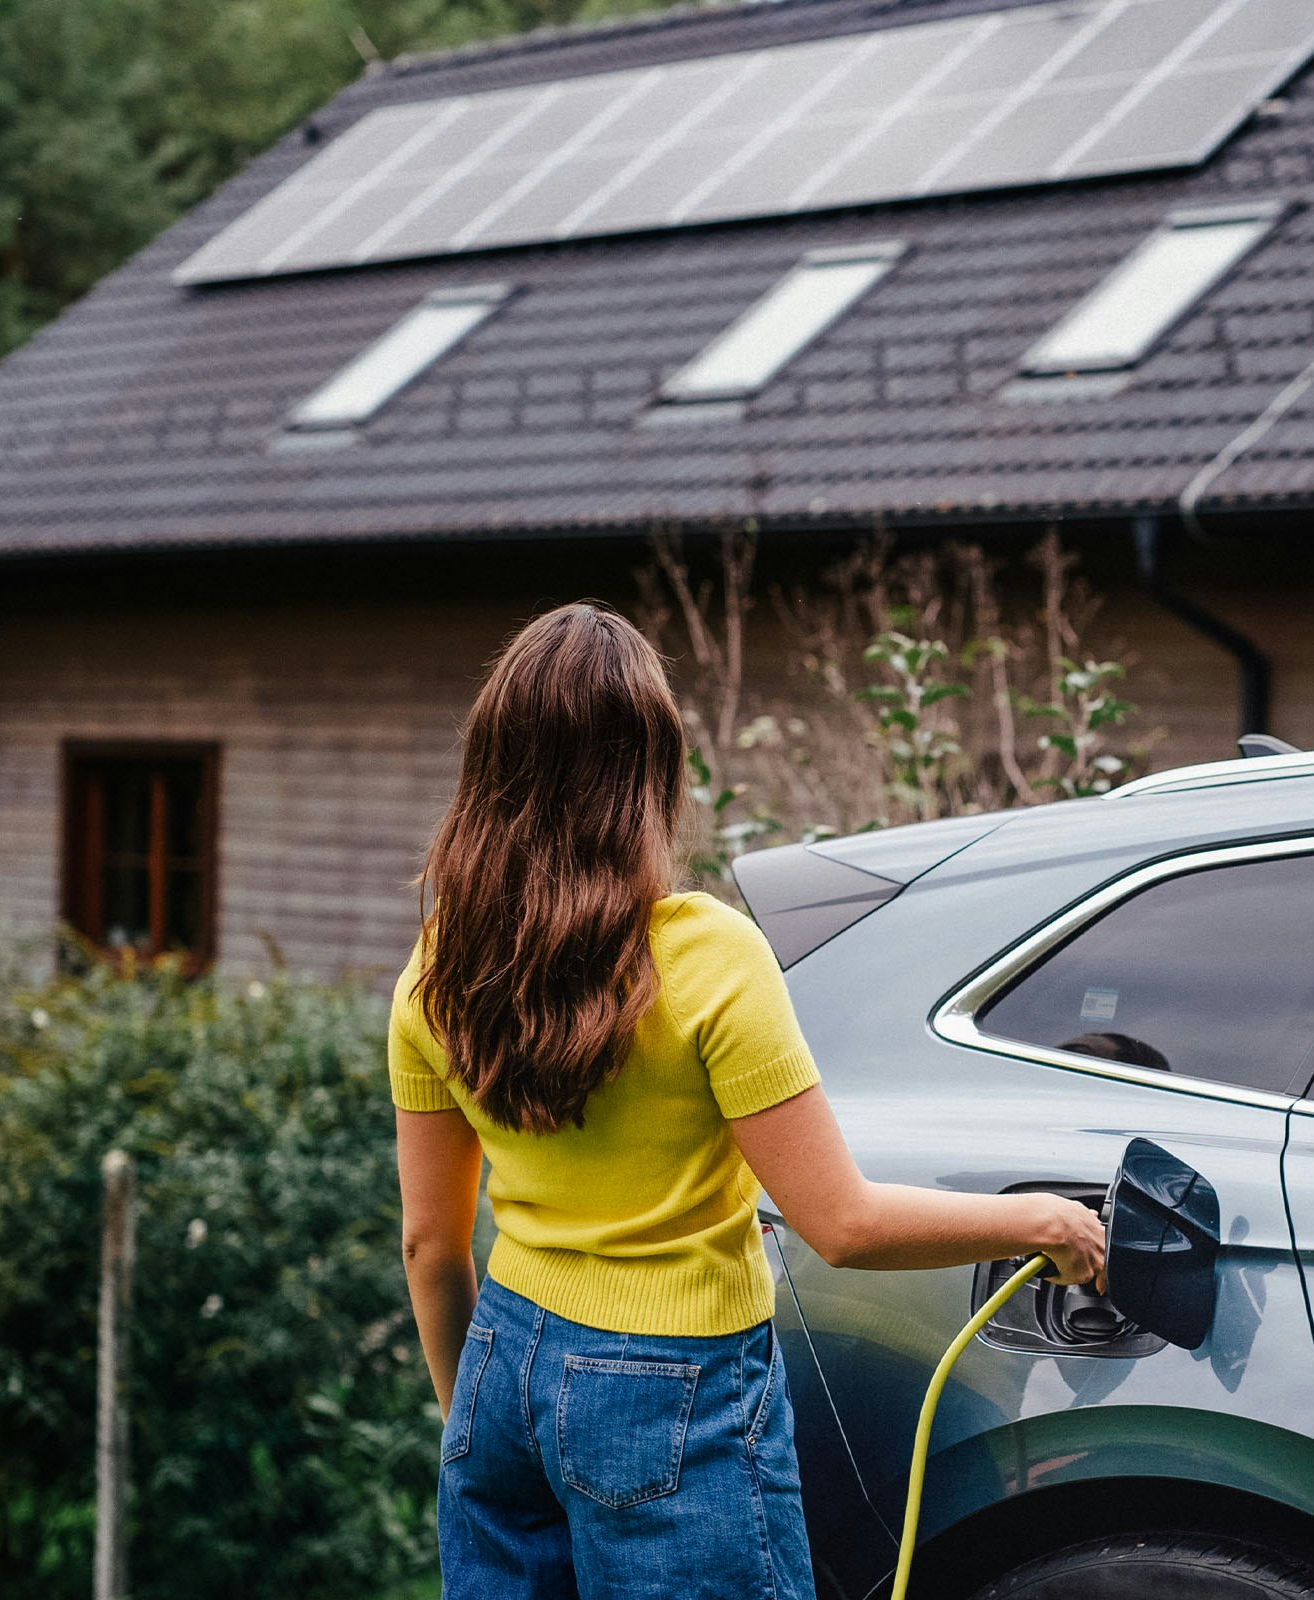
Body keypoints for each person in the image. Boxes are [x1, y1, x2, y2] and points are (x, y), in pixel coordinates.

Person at [390, 602, 1107, 1600]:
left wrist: (470, 1414)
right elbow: (842, 1223)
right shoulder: (707, 954)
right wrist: (1043, 1218)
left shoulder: (437, 966)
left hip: (501, 1369)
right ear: (649, 773)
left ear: (493, 767)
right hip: (670, 1388)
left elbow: (431, 1243)